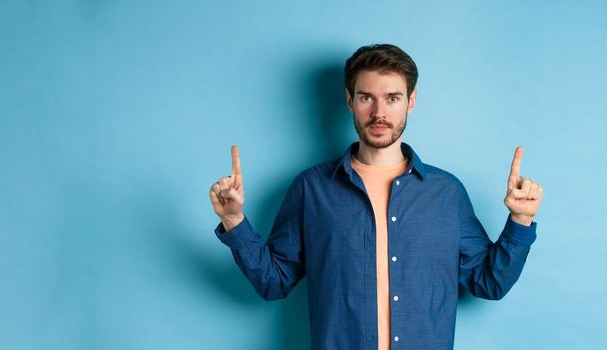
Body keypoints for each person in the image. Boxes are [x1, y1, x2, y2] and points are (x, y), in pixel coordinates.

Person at [209, 44, 543, 350]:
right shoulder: (311, 189)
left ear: (411, 101)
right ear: (349, 100)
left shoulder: (446, 193)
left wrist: (521, 221)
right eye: (367, 97)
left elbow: (489, 283)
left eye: (393, 98)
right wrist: (234, 221)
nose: (379, 112)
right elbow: (274, 282)